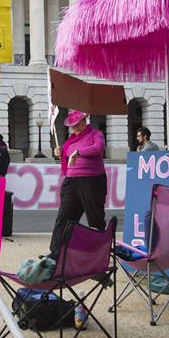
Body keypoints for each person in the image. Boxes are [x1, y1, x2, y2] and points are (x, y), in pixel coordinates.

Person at [49, 110, 107, 259]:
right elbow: (67, 154)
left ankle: (97, 255)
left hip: (92, 180)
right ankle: (57, 253)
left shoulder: (95, 134)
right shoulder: (71, 139)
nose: (75, 128)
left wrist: (78, 152)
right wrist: (61, 152)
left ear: (84, 121)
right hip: (71, 180)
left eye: (77, 125)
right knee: (64, 217)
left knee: (95, 218)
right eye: (72, 126)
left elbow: (98, 148)